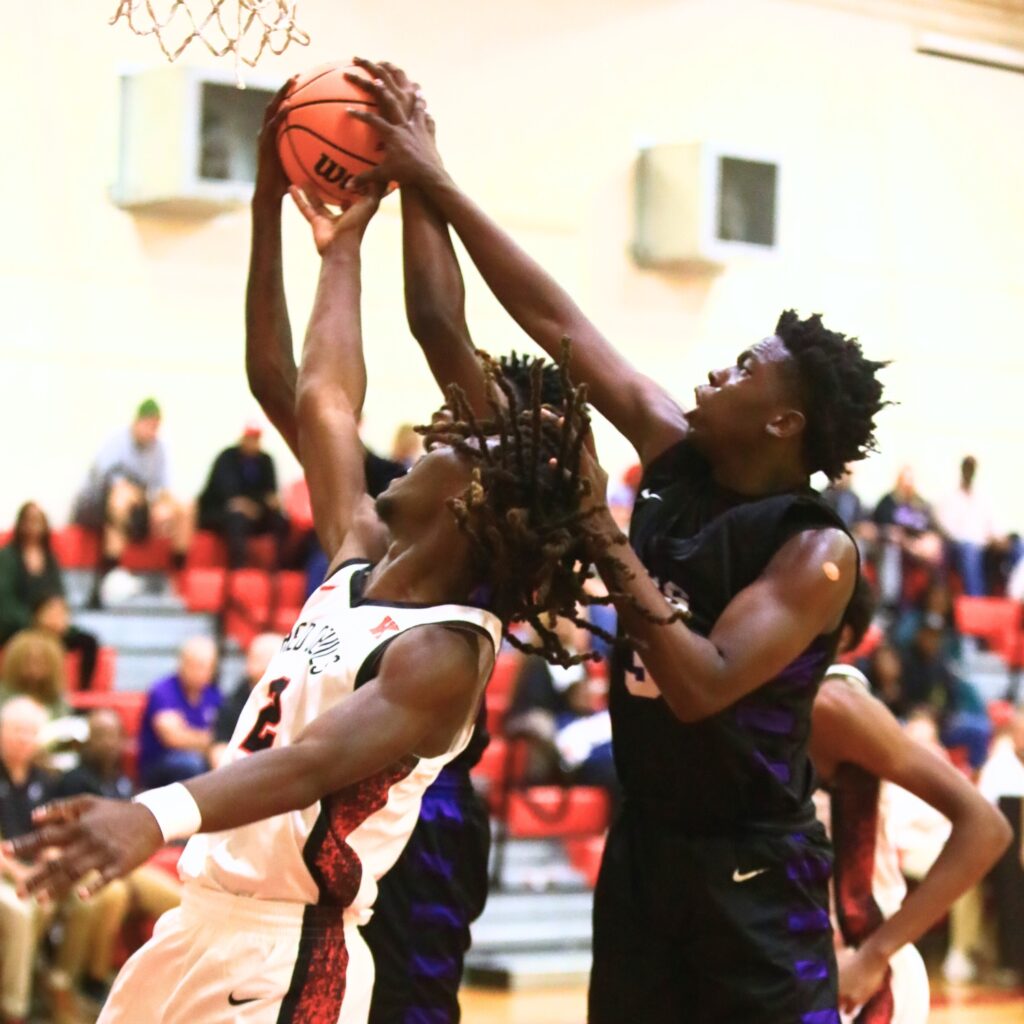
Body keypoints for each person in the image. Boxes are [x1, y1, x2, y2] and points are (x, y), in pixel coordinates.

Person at [9, 90, 606, 1024]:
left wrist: (150, 813)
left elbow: (309, 764)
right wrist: (319, 241)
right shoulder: (359, 553)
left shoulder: (446, 652)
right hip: (201, 925)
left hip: (287, 949)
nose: (423, 440)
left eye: (446, 442)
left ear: (477, 499)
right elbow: (323, 395)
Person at [345, 60, 888, 1021]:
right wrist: (432, 180)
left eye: (745, 370)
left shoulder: (814, 551)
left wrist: (598, 523)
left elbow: (703, 682)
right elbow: (557, 318)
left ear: (784, 424)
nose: (717, 372)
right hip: (647, 851)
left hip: (754, 870)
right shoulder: (677, 451)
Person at [810, 580, 1010, 1020]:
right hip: (792, 960)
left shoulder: (837, 702)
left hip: (858, 966)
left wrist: (874, 956)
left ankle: (959, 953)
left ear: (840, 633)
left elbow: (987, 827)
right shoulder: (764, 707)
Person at [52, 710, 182, 1011]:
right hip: (89, 864)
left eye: (113, 736)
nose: (107, 743)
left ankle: (173, 978)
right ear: (87, 742)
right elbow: (69, 838)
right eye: (100, 736)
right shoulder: (74, 781)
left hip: (125, 865)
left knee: (180, 900)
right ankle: (91, 980)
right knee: (113, 894)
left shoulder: (121, 780)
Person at [72, 399, 190, 606]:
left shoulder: (158, 449)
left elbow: (162, 488)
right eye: (148, 424)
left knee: (184, 509)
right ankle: (107, 577)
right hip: (96, 505)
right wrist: (137, 496)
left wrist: (166, 512)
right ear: (137, 422)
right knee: (120, 502)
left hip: (136, 509)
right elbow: (108, 482)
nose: (152, 431)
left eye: (156, 426)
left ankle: (178, 574)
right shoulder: (117, 441)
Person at [0, 502, 100, 689]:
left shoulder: (50, 557)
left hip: (50, 622)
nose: (33, 526)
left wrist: (58, 617)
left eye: (38, 521)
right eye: (29, 521)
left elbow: (59, 594)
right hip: (18, 625)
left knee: (89, 641)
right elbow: (5, 602)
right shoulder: (6, 557)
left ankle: (82, 697)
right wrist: (34, 622)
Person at [0, 695, 54, 1024]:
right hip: (7, 870)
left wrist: (49, 862)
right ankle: (13, 1009)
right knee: (20, 910)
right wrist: (19, 872)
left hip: (28, 869)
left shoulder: (45, 778)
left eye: (31, 731)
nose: (23, 738)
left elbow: (52, 833)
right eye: (17, 729)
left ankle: (48, 982)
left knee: (49, 901)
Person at [197, 421, 289, 569]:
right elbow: (229, 496)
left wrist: (257, 506)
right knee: (237, 519)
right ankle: (238, 568)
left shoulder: (265, 461)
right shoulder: (227, 458)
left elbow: (271, 496)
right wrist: (253, 503)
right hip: (221, 512)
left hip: (256, 512)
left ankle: (281, 567)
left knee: (281, 521)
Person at [137, 636, 222, 788]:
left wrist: (193, 736)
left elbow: (223, 736)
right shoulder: (162, 690)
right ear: (182, 663)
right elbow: (173, 739)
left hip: (199, 759)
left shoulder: (214, 695)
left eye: (207, 667)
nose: (201, 672)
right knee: (191, 763)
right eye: (196, 666)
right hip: (159, 764)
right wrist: (210, 740)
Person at [210, 632, 282, 768]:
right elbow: (219, 749)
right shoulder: (232, 704)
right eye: (254, 659)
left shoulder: (293, 698)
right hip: (242, 774)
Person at [935, 456, 998, 597]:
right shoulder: (950, 497)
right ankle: (976, 600)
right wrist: (973, 541)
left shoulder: (982, 498)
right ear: (962, 470)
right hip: (959, 548)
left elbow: (991, 529)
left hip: (983, 547)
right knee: (969, 548)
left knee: (1018, 545)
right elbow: (947, 531)